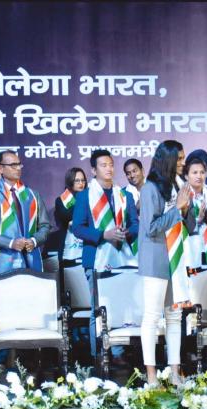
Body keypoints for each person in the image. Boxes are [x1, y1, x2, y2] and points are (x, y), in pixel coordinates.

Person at [71, 149, 139, 358]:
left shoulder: (124, 195)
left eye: (110, 164)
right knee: (98, 310)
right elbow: (78, 228)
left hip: (123, 258)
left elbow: (136, 224)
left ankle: (120, 355)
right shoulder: (85, 197)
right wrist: (103, 234)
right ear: (93, 170)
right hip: (96, 259)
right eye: (103, 165)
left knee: (124, 307)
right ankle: (98, 357)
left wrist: (126, 233)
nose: (109, 168)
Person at [136, 141, 192, 384]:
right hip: (157, 259)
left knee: (174, 317)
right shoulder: (150, 188)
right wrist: (177, 210)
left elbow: (190, 226)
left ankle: (175, 371)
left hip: (177, 259)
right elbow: (150, 229)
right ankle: (151, 375)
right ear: (168, 160)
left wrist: (189, 212)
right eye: (179, 159)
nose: (183, 163)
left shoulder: (180, 185)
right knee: (151, 317)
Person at [0, 151, 51, 274]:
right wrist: (10, 243)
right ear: (0, 168)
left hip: (31, 260)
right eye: (13, 165)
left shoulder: (32, 195)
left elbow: (45, 226)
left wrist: (34, 241)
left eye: (19, 165)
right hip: (1, 260)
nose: (18, 168)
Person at [54, 167, 86, 262]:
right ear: (70, 181)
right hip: (68, 246)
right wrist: (80, 199)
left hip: (86, 246)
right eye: (77, 180)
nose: (81, 183)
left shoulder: (91, 198)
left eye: (83, 180)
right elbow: (66, 217)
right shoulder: (61, 200)